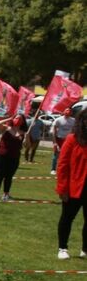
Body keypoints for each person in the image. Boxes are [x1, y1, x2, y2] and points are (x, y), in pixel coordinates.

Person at [55, 109, 87, 260]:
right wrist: (62, 189)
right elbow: (62, 166)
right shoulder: (72, 139)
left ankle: (85, 250)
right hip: (74, 188)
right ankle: (62, 248)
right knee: (67, 218)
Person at [0, 114, 26, 201]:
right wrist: (10, 118)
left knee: (9, 176)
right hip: (1, 155)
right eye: (16, 118)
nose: (17, 120)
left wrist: (26, 139)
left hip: (14, 157)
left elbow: (26, 146)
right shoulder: (6, 128)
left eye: (20, 119)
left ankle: (6, 194)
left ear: (23, 121)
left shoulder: (23, 132)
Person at [50, 109, 75, 176]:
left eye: (69, 111)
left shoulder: (73, 120)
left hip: (68, 140)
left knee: (69, 155)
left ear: (71, 112)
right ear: (63, 111)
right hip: (59, 139)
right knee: (56, 154)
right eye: (66, 110)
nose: (68, 112)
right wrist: (55, 142)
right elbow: (54, 131)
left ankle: (67, 169)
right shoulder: (58, 120)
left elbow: (74, 130)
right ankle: (53, 169)